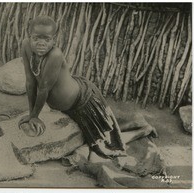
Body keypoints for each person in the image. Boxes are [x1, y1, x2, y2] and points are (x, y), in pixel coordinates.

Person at [18, 16, 126, 159]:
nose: (41, 43)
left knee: (103, 143)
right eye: (36, 38)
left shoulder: (55, 55)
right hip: (67, 106)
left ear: (54, 40)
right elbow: (30, 81)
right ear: (29, 35)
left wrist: (35, 116)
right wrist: (32, 114)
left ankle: (141, 128)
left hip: (83, 102)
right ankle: (130, 124)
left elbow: (43, 88)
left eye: (47, 39)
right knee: (104, 129)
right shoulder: (25, 45)